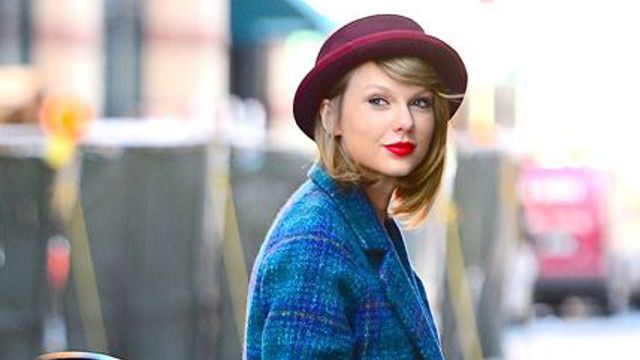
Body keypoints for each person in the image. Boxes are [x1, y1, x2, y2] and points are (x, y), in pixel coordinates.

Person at [244, 14, 467, 359]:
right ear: (330, 117)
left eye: (419, 102)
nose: (404, 122)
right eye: (379, 100)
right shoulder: (315, 244)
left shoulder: (367, 223)